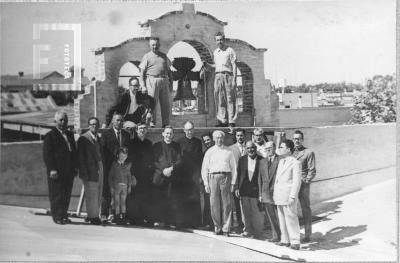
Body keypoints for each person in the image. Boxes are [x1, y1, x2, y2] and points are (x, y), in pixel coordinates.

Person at [43, 110, 78, 224]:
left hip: (69, 170)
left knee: (66, 194)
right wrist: (52, 169)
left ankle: (64, 215)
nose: (64, 122)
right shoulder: (50, 136)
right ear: (55, 121)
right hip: (56, 171)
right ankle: (57, 217)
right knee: (57, 194)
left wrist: (75, 167)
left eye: (65, 120)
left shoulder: (70, 134)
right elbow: (47, 155)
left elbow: (73, 152)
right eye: (61, 120)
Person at [201, 130, 237, 236]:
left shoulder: (229, 151)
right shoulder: (209, 152)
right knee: (214, 203)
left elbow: (234, 168)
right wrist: (206, 183)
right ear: (213, 139)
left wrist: (233, 183)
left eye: (221, 137)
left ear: (223, 138)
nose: (219, 140)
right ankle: (217, 227)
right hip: (213, 177)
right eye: (217, 138)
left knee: (227, 203)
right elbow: (204, 168)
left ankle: (226, 228)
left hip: (226, 176)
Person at [203, 32, 237, 128]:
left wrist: (234, 79)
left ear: (224, 39)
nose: (219, 42)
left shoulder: (230, 50)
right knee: (219, 99)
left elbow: (234, 65)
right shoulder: (215, 52)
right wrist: (208, 65)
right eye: (217, 40)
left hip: (228, 75)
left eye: (221, 39)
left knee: (230, 99)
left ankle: (231, 121)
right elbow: (216, 66)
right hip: (218, 76)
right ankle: (223, 120)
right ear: (216, 41)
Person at [101, 114, 130, 224]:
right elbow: (103, 152)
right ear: (113, 122)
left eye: (122, 120)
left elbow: (128, 152)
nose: (120, 122)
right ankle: (104, 214)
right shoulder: (106, 134)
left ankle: (117, 216)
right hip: (109, 167)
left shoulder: (126, 135)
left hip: (121, 169)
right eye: (117, 120)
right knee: (107, 191)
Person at [152, 126, 183, 228]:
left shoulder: (177, 146)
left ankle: (170, 221)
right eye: (167, 133)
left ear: (173, 135)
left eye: (170, 133)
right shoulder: (157, 146)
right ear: (163, 134)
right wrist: (163, 170)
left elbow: (180, 160)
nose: (168, 135)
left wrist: (171, 169)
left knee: (171, 199)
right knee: (159, 199)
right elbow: (154, 161)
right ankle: (159, 220)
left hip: (172, 176)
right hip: (159, 177)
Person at [273, 139, 302, 250]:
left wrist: (293, 196)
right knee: (281, 218)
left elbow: (296, 181)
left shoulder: (295, 163)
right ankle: (285, 240)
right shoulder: (281, 161)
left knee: (291, 218)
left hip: (289, 196)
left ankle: (295, 241)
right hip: (280, 195)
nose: (279, 149)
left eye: (282, 147)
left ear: (288, 149)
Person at [139, 37, 173, 128]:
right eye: (153, 45)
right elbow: (141, 73)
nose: (155, 47)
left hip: (164, 80)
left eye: (157, 45)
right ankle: (152, 123)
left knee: (165, 104)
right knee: (152, 104)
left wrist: (171, 83)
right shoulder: (146, 56)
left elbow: (169, 71)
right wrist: (143, 86)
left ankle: (166, 124)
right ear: (150, 46)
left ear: (159, 45)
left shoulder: (164, 56)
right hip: (152, 81)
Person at [234, 141, 266, 238]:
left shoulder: (262, 160)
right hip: (244, 190)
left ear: (256, 149)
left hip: (256, 190)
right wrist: (236, 187)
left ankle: (258, 232)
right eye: (248, 148)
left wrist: (262, 192)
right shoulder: (242, 159)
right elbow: (238, 174)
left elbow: (264, 177)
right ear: (246, 149)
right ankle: (247, 230)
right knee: (245, 212)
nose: (250, 150)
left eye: (252, 148)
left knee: (257, 213)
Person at [77, 117, 104, 225]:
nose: (95, 126)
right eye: (92, 124)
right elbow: (80, 158)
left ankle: (92, 215)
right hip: (89, 170)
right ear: (88, 126)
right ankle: (93, 217)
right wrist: (84, 173)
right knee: (91, 194)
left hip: (99, 167)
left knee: (98, 193)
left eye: (96, 124)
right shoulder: (83, 139)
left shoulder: (98, 138)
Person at [126, 122, 154, 226]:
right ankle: (133, 219)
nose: (142, 130)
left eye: (144, 128)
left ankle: (142, 218)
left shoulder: (149, 144)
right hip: (134, 175)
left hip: (145, 176)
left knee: (144, 197)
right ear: (137, 130)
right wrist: (131, 175)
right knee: (133, 197)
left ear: (147, 130)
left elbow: (151, 160)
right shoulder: (130, 143)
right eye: (140, 128)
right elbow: (128, 160)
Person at [177, 121, 203, 228]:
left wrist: (200, 175)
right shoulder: (179, 142)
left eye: (191, 129)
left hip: (194, 174)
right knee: (182, 197)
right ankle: (183, 222)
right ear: (184, 130)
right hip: (183, 175)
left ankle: (195, 222)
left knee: (194, 198)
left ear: (194, 130)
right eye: (187, 130)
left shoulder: (198, 142)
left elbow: (200, 160)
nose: (189, 132)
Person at [292, 130, 316, 243]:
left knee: (305, 209)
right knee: (291, 209)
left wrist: (306, 181)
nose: (296, 140)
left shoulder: (308, 152)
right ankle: (294, 234)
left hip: (303, 185)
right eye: (295, 138)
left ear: (302, 139)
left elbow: (312, 170)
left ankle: (307, 235)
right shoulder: (290, 152)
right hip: (291, 184)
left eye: (299, 138)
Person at [259, 141, 281, 242]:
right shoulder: (262, 161)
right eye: (266, 148)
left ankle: (284, 236)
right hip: (266, 193)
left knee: (280, 216)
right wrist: (260, 193)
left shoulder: (280, 160)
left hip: (277, 192)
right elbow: (259, 179)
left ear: (275, 148)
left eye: (270, 148)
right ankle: (276, 236)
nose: (268, 150)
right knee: (271, 216)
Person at [108, 147, 136, 225]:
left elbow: (129, 176)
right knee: (117, 202)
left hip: (125, 187)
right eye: (121, 156)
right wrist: (111, 186)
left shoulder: (127, 166)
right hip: (116, 186)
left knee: (123, 202)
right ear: (118, 155)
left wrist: (129, 186)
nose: (122, 158)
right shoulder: (114, 165)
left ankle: (123, 217)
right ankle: (116, 216)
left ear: (126, 157)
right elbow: (110, 177)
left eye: (124, 156)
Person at [229, 128, 246, 231]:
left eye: (241, 135)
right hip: (236, 180)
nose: (240, 137)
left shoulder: (249, 147)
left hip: (247, 180)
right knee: (236, 203)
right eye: (238, 135)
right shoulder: (231, 149)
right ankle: (239, 224)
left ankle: (247, 225)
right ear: (235, 137)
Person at [199, 132, 214, 229]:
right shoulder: (204, 153)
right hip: (208, 180)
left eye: (208, 140)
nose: (207, 142)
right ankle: (207, 223)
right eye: (205, 141)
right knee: (207, 201)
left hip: (216, 179)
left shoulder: (218, 150)